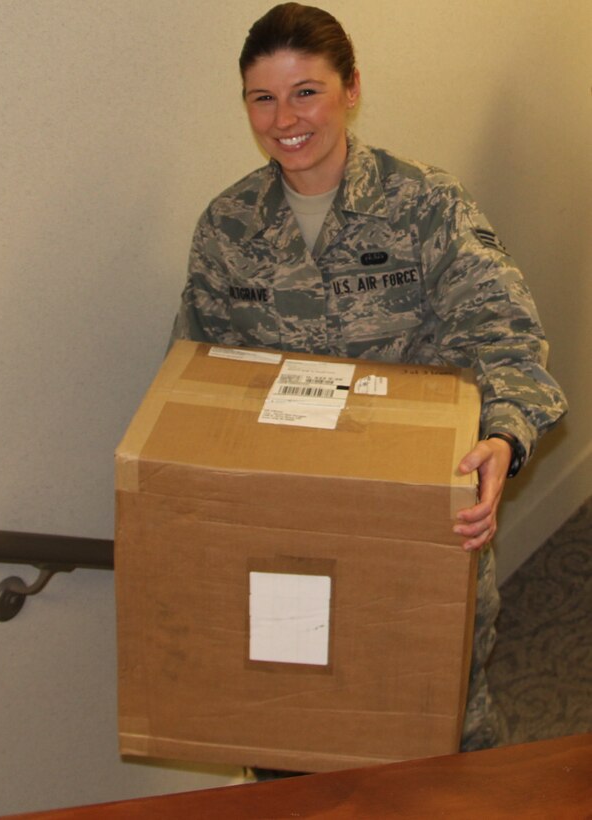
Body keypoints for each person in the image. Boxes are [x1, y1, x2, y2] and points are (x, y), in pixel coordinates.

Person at [170, 2, 568, 769]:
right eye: (263, 97)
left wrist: (503, 437)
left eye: (306, 92)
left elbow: (506, 332)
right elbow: (196, 378)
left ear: (351, 89)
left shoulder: (426, 207)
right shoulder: (226, 228)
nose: (284, 118)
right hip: (281, 526)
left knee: (438, 740)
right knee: (285, 730)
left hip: (415, 519)